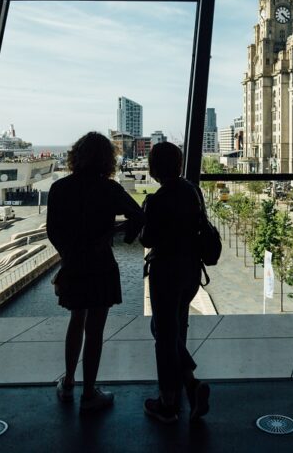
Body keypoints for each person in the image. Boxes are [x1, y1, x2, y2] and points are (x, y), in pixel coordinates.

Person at [47, 132, 143, 412]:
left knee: (76, 321)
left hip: (75, 264)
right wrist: (115, 233)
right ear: (107, 159)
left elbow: (53, 231)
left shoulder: (60, 188)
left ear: (76, 156)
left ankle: (68, 385)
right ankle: (89, 393)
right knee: (96, 330)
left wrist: (68, 256)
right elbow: (138, 216)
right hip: (101, 262)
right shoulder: (108, 189)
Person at [140, 142, 210, 423]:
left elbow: (147, 239)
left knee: (165, 336)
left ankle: (168, 403)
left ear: (154, 167)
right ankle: (191, 386)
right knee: (171, 329)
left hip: (166, 272)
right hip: (191, 270)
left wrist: (145, 213)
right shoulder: (193, 191)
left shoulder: (158, 199)